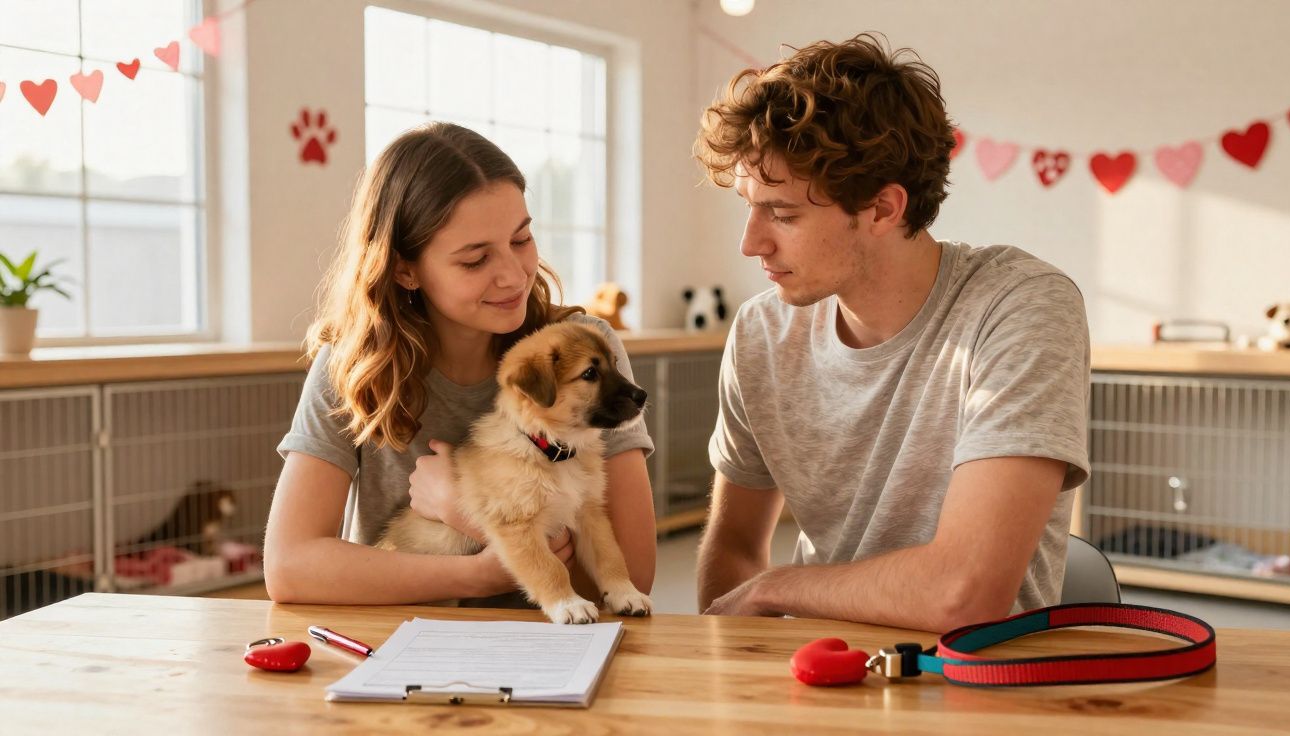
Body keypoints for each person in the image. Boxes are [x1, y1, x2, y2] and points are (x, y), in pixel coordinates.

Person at [692, 34, 1091, 632]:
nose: (751, 243)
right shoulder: (760, 332)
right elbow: (734, 551)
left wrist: (780, 587)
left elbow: (965, 594)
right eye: (749, 206)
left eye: (783, 213)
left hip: (980, 685)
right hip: (815, 678)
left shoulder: (1021, 306)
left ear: (883, 208)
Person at [264, 122, 656, 606]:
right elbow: (289, 568)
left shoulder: (584, 350)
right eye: (475, 260)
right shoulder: (353, 368)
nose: (513, 276)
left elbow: (633, 575)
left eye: (521, 239)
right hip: (397, 647)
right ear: (405, 269)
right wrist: (478, 574)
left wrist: (465, 512)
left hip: (554, 654)